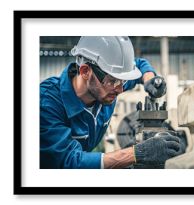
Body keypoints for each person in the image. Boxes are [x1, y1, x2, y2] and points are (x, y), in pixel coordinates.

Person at [40, 36, 182, 169]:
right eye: (113, 81)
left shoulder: (106, 84)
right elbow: (68, 161)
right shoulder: (46, 103)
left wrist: (150, 79)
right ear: (85, 72)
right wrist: (137, 153)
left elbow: (139, 64)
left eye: (123, 81)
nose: (120, 89)